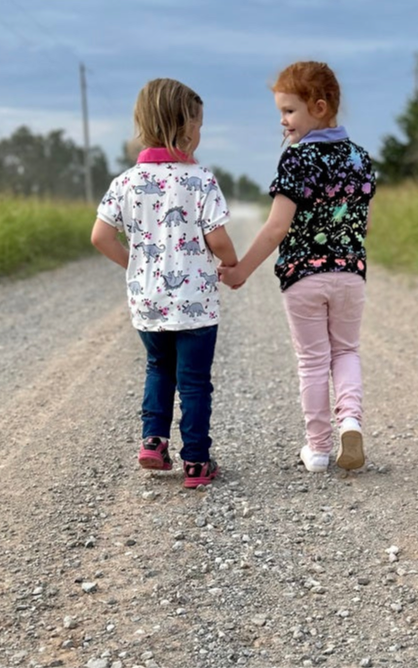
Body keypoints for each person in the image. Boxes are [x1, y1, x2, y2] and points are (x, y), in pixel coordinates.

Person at [219, 61, 376, 473]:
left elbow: (275, 227)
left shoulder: (297, 160)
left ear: (319, 108)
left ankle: (319, 449)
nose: (283, 121)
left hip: (304, 277)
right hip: (349, 275)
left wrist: (240, 271)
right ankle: (351, 422)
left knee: (311, 361)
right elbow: (368, 222)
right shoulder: (361, 159)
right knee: (346, 351)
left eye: (289, 111)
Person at [91, 78, 238, 488]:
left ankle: (153, 442)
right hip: (196, 306)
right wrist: (231, 262)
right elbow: (218, 239)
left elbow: (100, 237)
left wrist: (133, 265)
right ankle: (196, 462)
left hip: (148, 303)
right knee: (194, 382)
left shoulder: (126, 183)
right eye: (199, 124)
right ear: (185, 126)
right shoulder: (201, 180)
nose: (201, 132)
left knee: (159, 368)